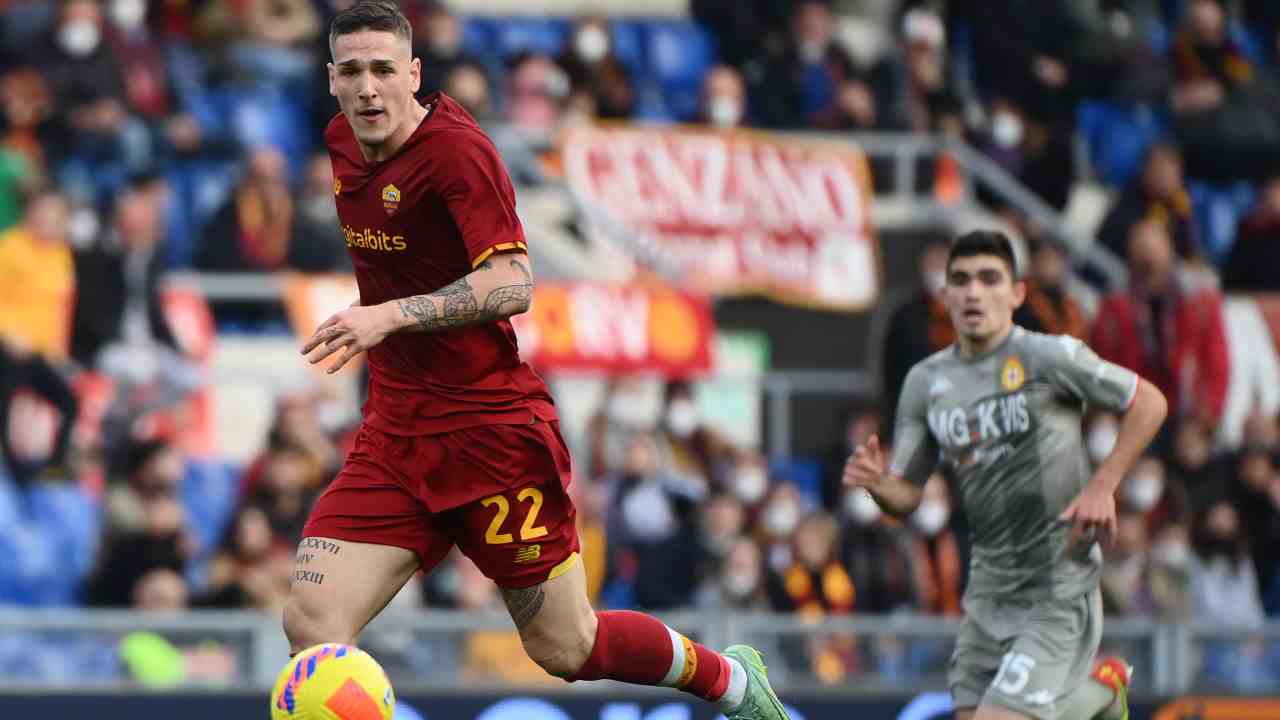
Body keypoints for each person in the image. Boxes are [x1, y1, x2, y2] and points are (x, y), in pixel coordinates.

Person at [282, 5, 789, 719]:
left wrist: (389, 315)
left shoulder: (458, 153)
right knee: (311, 621)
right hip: (395, 436)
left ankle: (730, 681)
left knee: (567, 646)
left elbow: (512, 283)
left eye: (384, 70)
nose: (369, 88)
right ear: (332, 79)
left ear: (414, 75)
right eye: (353, 72)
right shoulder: (341, 143)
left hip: (489, 438)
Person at [845, 230, 1168, 720]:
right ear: (945, 294)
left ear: (1017, 293)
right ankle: (1098, 696)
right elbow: (908, 494)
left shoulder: (1050, 356)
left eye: (989, 279)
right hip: (988, 590)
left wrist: (1103, 485)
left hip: (1057, 582)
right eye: (961, 280)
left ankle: (1101, 692)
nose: (973, 292)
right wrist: (880, 486)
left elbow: (1150, 403)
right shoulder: (925, 383)